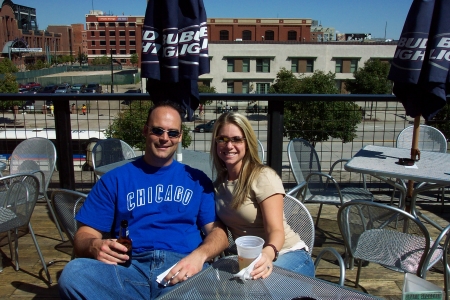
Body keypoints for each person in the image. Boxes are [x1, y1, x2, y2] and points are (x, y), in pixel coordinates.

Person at [58, 101, 228, 299]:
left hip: (181, 268)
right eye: (158, 131)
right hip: (128, 268)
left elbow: (218, 233)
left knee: (199, 290)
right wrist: (93, 246)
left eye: (172, 133)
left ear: (180, 137)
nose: (165, 138)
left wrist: (200, 256)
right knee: (73, 274)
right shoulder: (114, 180)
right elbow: (84, 235)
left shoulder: (197, 180)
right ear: (145, 131)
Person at [210, 112, 315, 280]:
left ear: (247, 143)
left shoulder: (262, 177)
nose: (229, 145)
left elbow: (276, 230)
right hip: (250, 260)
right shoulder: (218, 186)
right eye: (222, 139)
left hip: (287, 255)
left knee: (255, 290)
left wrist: (267, 254)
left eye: (236, 139)